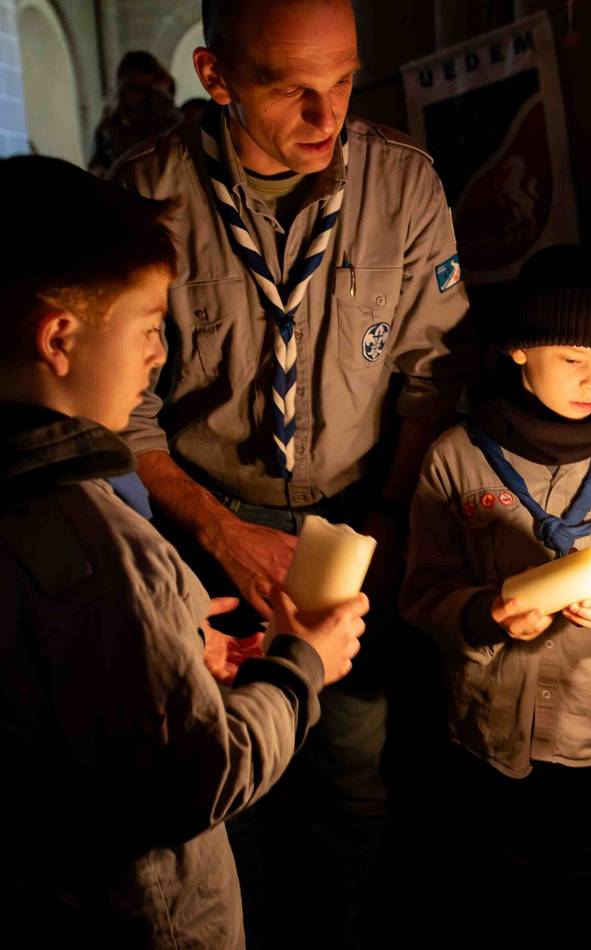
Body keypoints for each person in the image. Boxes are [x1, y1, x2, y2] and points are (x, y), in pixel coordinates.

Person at [110, 0, 471, 941]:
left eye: (345, 80)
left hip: (351, 525)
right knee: (224, 787)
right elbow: (124, 412)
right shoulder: (145, 196)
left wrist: (390, 522)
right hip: (201, 536)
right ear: (215, 77)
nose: (328, 117)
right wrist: (220, 532)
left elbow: (432, 374)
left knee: (350, 781)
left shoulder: (402, 187)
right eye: (291, 89)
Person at [0, 154, 367, 948]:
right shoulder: (92, 544)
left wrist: (177, 654)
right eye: (144, 329)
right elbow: (193, 778)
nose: (157, 358)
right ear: (59, 338)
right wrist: (299, 664)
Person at [401, 244, 591, 923]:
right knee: (494, 887)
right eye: (573, 359)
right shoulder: (456, 458)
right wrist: (485, 613)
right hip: (489, 727)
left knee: (587, 888)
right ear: (521, 348)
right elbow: (421, 593)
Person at [89, 51, 181, 176]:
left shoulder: (165, 120)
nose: (142, 96)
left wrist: (163, 101)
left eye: (147, 90)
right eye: (135, 88)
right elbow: (96, 166)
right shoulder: (109, 126)